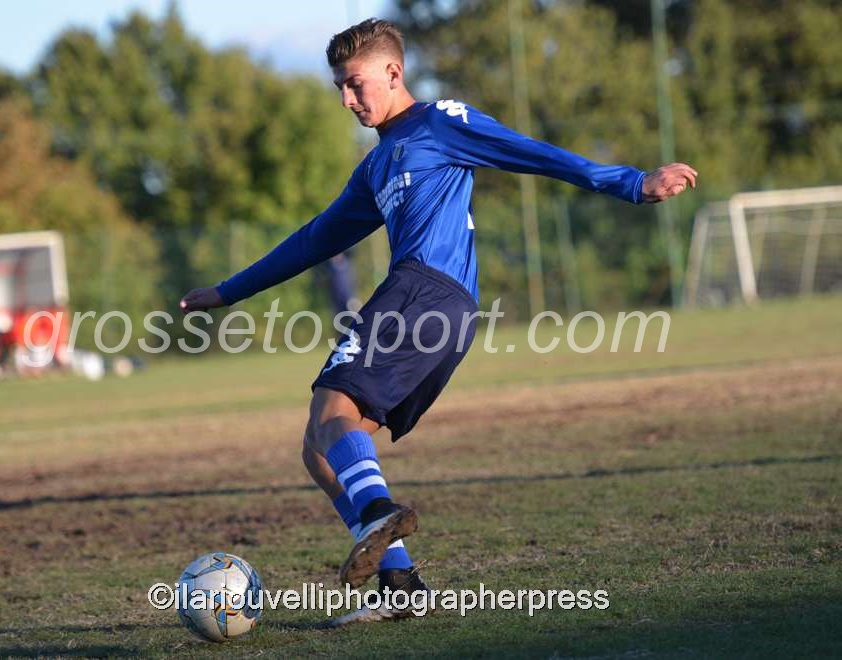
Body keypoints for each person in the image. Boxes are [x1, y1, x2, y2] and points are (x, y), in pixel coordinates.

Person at [179, 18, 697, 625]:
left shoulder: (440, 122)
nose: (347, 99)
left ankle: (378, 514)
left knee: (331, 408)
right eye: (339, 87)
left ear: (393, 72)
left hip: (424, 291)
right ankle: (400, 584)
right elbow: (316, 239)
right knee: (318, 451)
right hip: (442, 311)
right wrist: (229, 291)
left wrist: (632, 182)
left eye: (355, 83)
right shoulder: (376, 166)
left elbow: (536, 154)